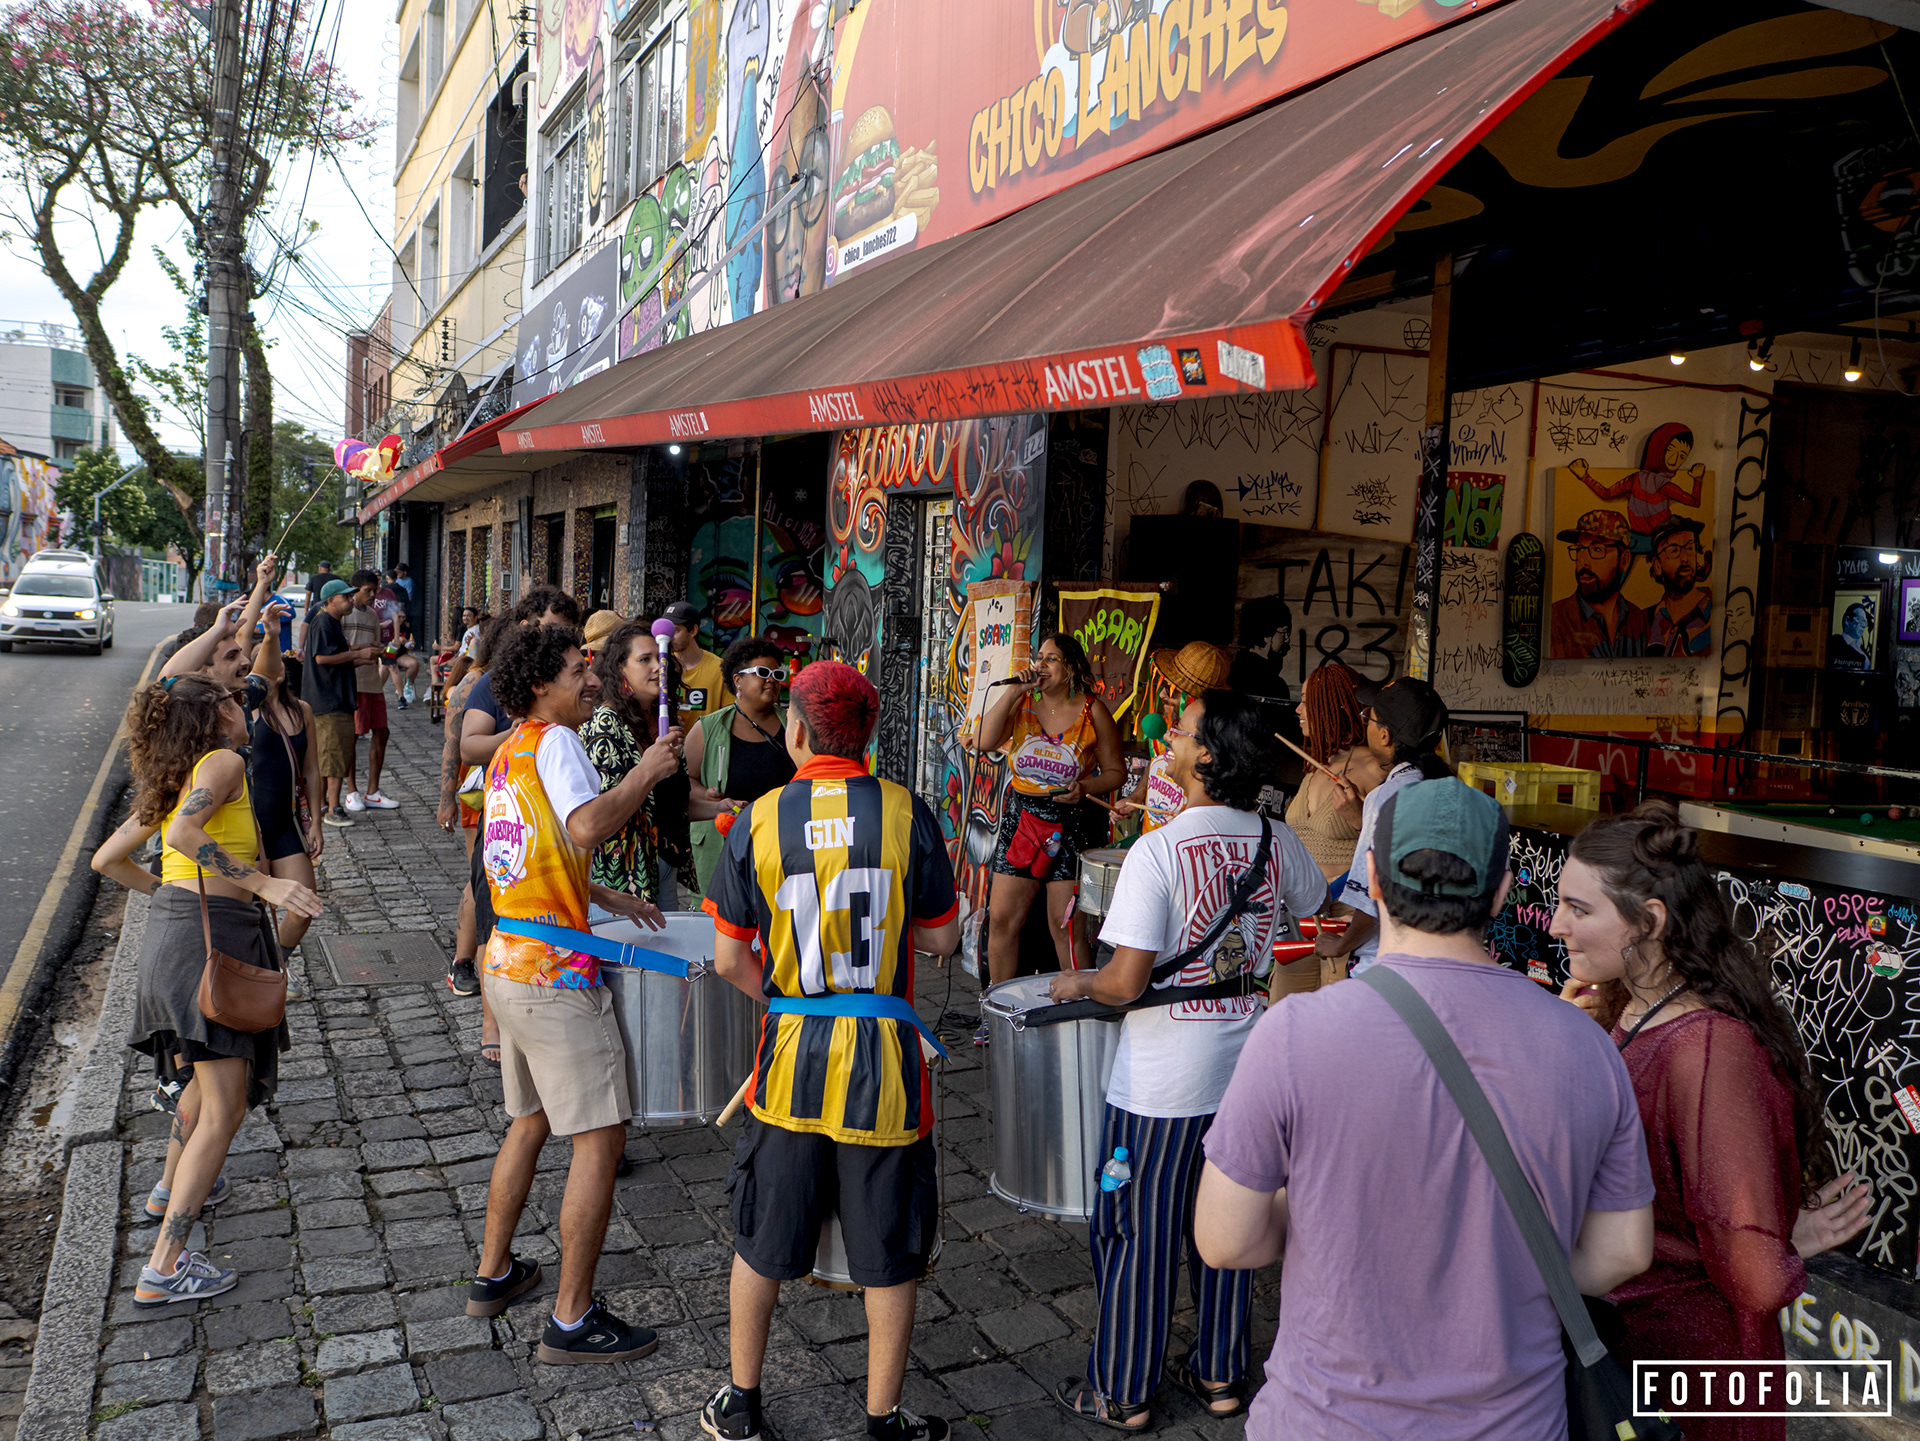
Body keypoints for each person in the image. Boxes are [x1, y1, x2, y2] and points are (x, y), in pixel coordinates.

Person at [1194, 778, 1656, 1440]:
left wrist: (1314, 1205)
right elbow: (1624, 1251)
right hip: (1515, 1424)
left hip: (1326, 1423)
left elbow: (1227, 1239)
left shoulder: (1294, 1033)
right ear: (1501, 892)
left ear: (1373, 879)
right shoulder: (1587, 1046)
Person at [1044, 691, 1327, 1431]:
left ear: (1207, 754)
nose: (1169, 735)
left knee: (1138, 1231)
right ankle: (1221, 1375)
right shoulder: (1275, 839)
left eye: (1182, 728)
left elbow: (1123, 982)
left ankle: (1123, 1391)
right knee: (1228, 1227)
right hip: (1244, 1072)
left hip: (1161, 1084)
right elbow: (1321, 921)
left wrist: (1077, 981)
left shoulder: (1159, 850)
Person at [1555, 804, 1876, 1441]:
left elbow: (1755, 1278)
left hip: (1693, 1383)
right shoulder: (1633, 1011)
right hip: (1635, 1360)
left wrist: (1773, 1244)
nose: (1558, 923)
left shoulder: (1707, 1052)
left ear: (1650, 921)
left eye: (1579, 909)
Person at [699, 661, 959, 1441]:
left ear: (797, 732)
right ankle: (882, 1421)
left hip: (791, 1061)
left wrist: (790, 1002)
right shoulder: (906, 811)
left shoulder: (758, 819)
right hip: (885, 1066)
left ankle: (740, 1402)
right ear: (867, 735)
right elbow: (943, 937)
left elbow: (728, 957)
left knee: (762, 1237)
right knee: (891, 1247)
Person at [468, 621, 682, 1360]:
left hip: (507, 964)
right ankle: (570, 1318)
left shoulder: (512, 748)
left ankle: (493, 1273)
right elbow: (588, 825)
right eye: (575, 670)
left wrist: (600, 895)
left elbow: (527, 852)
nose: (591, 679)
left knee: (527, 1122)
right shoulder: (558, 741)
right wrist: (646, 772)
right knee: (600, 1139)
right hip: (555, 977)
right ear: (539, 685)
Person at [104, 675, 322, 1304]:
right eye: (230, 698)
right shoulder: (223, 762)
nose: (241, 704)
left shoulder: (176, 777)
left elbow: (108, 860)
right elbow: (181, 837)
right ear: (211, 716)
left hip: (173, 940)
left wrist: (172, 897)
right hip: (212, 942)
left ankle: (167, 1192)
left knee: (201, 1091)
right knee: (224, 1110)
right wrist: (264, 885)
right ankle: (164, 1267)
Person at [976, 632, 1123, 996]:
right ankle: (1000, 1006)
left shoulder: (1093, 711)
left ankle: (1080, 1008)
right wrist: (1012, 692)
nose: (1040, 664)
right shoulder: (1023, 703)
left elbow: (1115, 772)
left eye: (1050, 659)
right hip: (1022, 821)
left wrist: (1085, 787)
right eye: (1038, 657)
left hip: (1070, 824)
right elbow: (983, 741)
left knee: (1065, 926)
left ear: (1070, 667)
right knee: (1002, 920)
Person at [1313, 676, 1451, 980]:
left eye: (1369, 718)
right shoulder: (1450, 789)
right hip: (1436, 962)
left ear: (1385, 736)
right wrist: (1361, 820)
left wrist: (1342, 944)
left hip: (1383, 968)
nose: (1366, 724)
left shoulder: (1387, 796)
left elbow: (1374, 898)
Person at [581, 619, 707, 921]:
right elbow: (603, 815)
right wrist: (648, 768)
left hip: (663, 865)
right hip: (619, 879)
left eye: (661, 658)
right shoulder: (604, 724)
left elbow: (664, 803)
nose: (658, 667)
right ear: (620, 668)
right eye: (644, 659)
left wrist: (718, 807)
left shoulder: (662, 722)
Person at [686, 636, 797, 894]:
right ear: (738, 680)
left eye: (776, 674)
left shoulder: (794, 726)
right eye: (762, 673)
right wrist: (707, 794)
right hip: (724, 847)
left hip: (781, 844)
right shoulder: (707, 728)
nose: (771, 680)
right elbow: (685, 781)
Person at [441, 615, 511, 1006]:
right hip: (481, 795)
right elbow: (454, 745)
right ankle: (463, 962)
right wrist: (446, 799)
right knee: (480, 879)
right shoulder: (476, 682)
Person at [1285, 663, 1385, 890]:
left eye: (1306, 701)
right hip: (1298, 903)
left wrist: (1359, 820)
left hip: (1344, 905)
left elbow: (1394, 848)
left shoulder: (1373, 768)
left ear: (1330, 707)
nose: (1298, 709)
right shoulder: (1318, 764)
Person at [251, 655, 325, 953]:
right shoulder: (248, 710)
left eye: (277, 659)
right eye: (266, 659)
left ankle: (276, 963)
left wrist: (317, 822)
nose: (275, 665)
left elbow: (312, 770)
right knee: (252, 912)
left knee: (304, 906)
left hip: (286, 823)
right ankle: (253, 970)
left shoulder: (301, 709)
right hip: (251, 826)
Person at [1569, 423, 1706, 555]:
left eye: (1682, 456)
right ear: (1658, 446)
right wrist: (1584, 476)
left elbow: (1694, 502)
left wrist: (1698, 479)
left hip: (1661, 541)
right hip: (1637, 541)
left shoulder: (1665, 486)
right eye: (1669, 449)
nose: (1674, 459)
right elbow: (1606, 493)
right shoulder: (1635, 480)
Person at [307, 579, 373, 827]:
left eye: (350, 596)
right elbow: (322, 658)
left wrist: (363, 655)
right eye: (345, 597)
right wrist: (358, 654)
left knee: (334, 754)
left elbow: (339, 657)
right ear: (330, 600)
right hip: (328, 700)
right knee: (333, 755)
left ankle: (324, 803)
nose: (351, 600)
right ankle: (333, 808)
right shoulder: (323, 622)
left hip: (338, 698)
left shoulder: (333, 622)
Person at [1550, 510, 1650, 659]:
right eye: (1579, 549)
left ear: (1624, 560)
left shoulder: (1638, 620)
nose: (1583, 562)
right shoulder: (1555, 621)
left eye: (1597, 549)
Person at [340, 570, 399, 811]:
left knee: (382, 732)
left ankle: (373, 791)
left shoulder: (373, 615)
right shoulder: (343, 614)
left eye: (375, 590)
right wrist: (362, 652)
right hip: (353, 682)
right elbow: (339, 650)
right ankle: (351, 791)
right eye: (368, 591)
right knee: (352, 736)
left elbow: (375, 647)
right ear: (355, 590)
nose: (373, 595)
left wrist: (383, 650)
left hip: (373, 681)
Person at [1645, 517, 1713, 659]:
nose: (1685, 558)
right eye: (1674, 550)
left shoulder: (1715, 612)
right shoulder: (1646, 620)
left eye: (1690, 548)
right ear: (1657, 565)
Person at [664, 600, 731, 723]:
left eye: (675, 630)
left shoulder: (719, 668)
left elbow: (729, 717)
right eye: (667, 630)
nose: (669, 636)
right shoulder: (660, 667)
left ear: (693, 631)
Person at [1227, 596, 1292, 706]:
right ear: (1266, 633)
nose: (1287, 639)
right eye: (1284, 632)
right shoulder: (1275, 685)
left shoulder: (1231, 671)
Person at [448, 606, 486, 689]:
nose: (465, 618)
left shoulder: (474, 631)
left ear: (475, 618)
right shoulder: (469, 630)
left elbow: (466, 652)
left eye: (468, 616)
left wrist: (454, 662)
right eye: (464, 615)